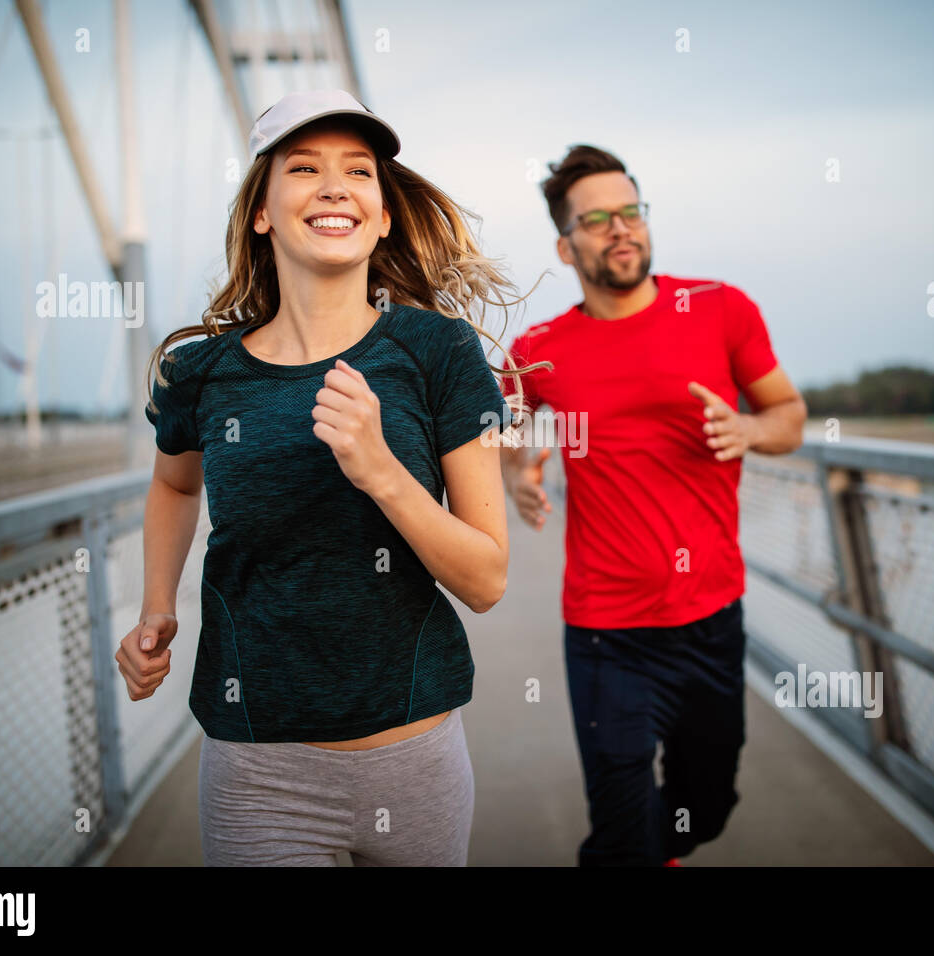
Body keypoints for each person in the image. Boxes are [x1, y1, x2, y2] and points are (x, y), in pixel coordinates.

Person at [118, 89, 533, 866]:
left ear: (381, 216)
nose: (335, 185)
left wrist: (381, 472)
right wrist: (154, 607)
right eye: (303, 167)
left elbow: (486, 579)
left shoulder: (436, 354)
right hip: (258, 772)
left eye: (359, 172)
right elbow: (176, 485)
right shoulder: (199, 374)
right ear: (262, 212)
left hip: (415, 763)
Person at [499, 144, 808, 866]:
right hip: (608, 632)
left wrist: (748, 428)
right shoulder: (538, 347)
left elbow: (790, 415)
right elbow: (508, 428)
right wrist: (518, 470)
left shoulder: (721, 309)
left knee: (706, 809)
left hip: (711, 617)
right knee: (620, 832)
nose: (621, 228)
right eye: (598, 218)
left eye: (631, 211)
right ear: (565, 243)